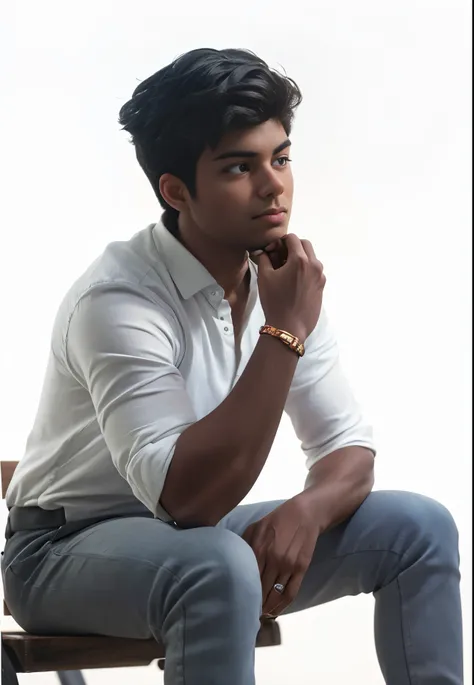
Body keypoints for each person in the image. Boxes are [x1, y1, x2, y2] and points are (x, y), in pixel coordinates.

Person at [1, 48, 463, 684]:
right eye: (239, 167)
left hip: (200, 540)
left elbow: (347, 446)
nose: (273, 184)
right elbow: (185, 500)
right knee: (216, 564)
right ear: (176, 190)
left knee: (418, 527)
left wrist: (311, 508)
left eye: (280, 157)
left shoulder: (278, 278)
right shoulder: (118, 300)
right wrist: (285, 330)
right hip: (59, 552)